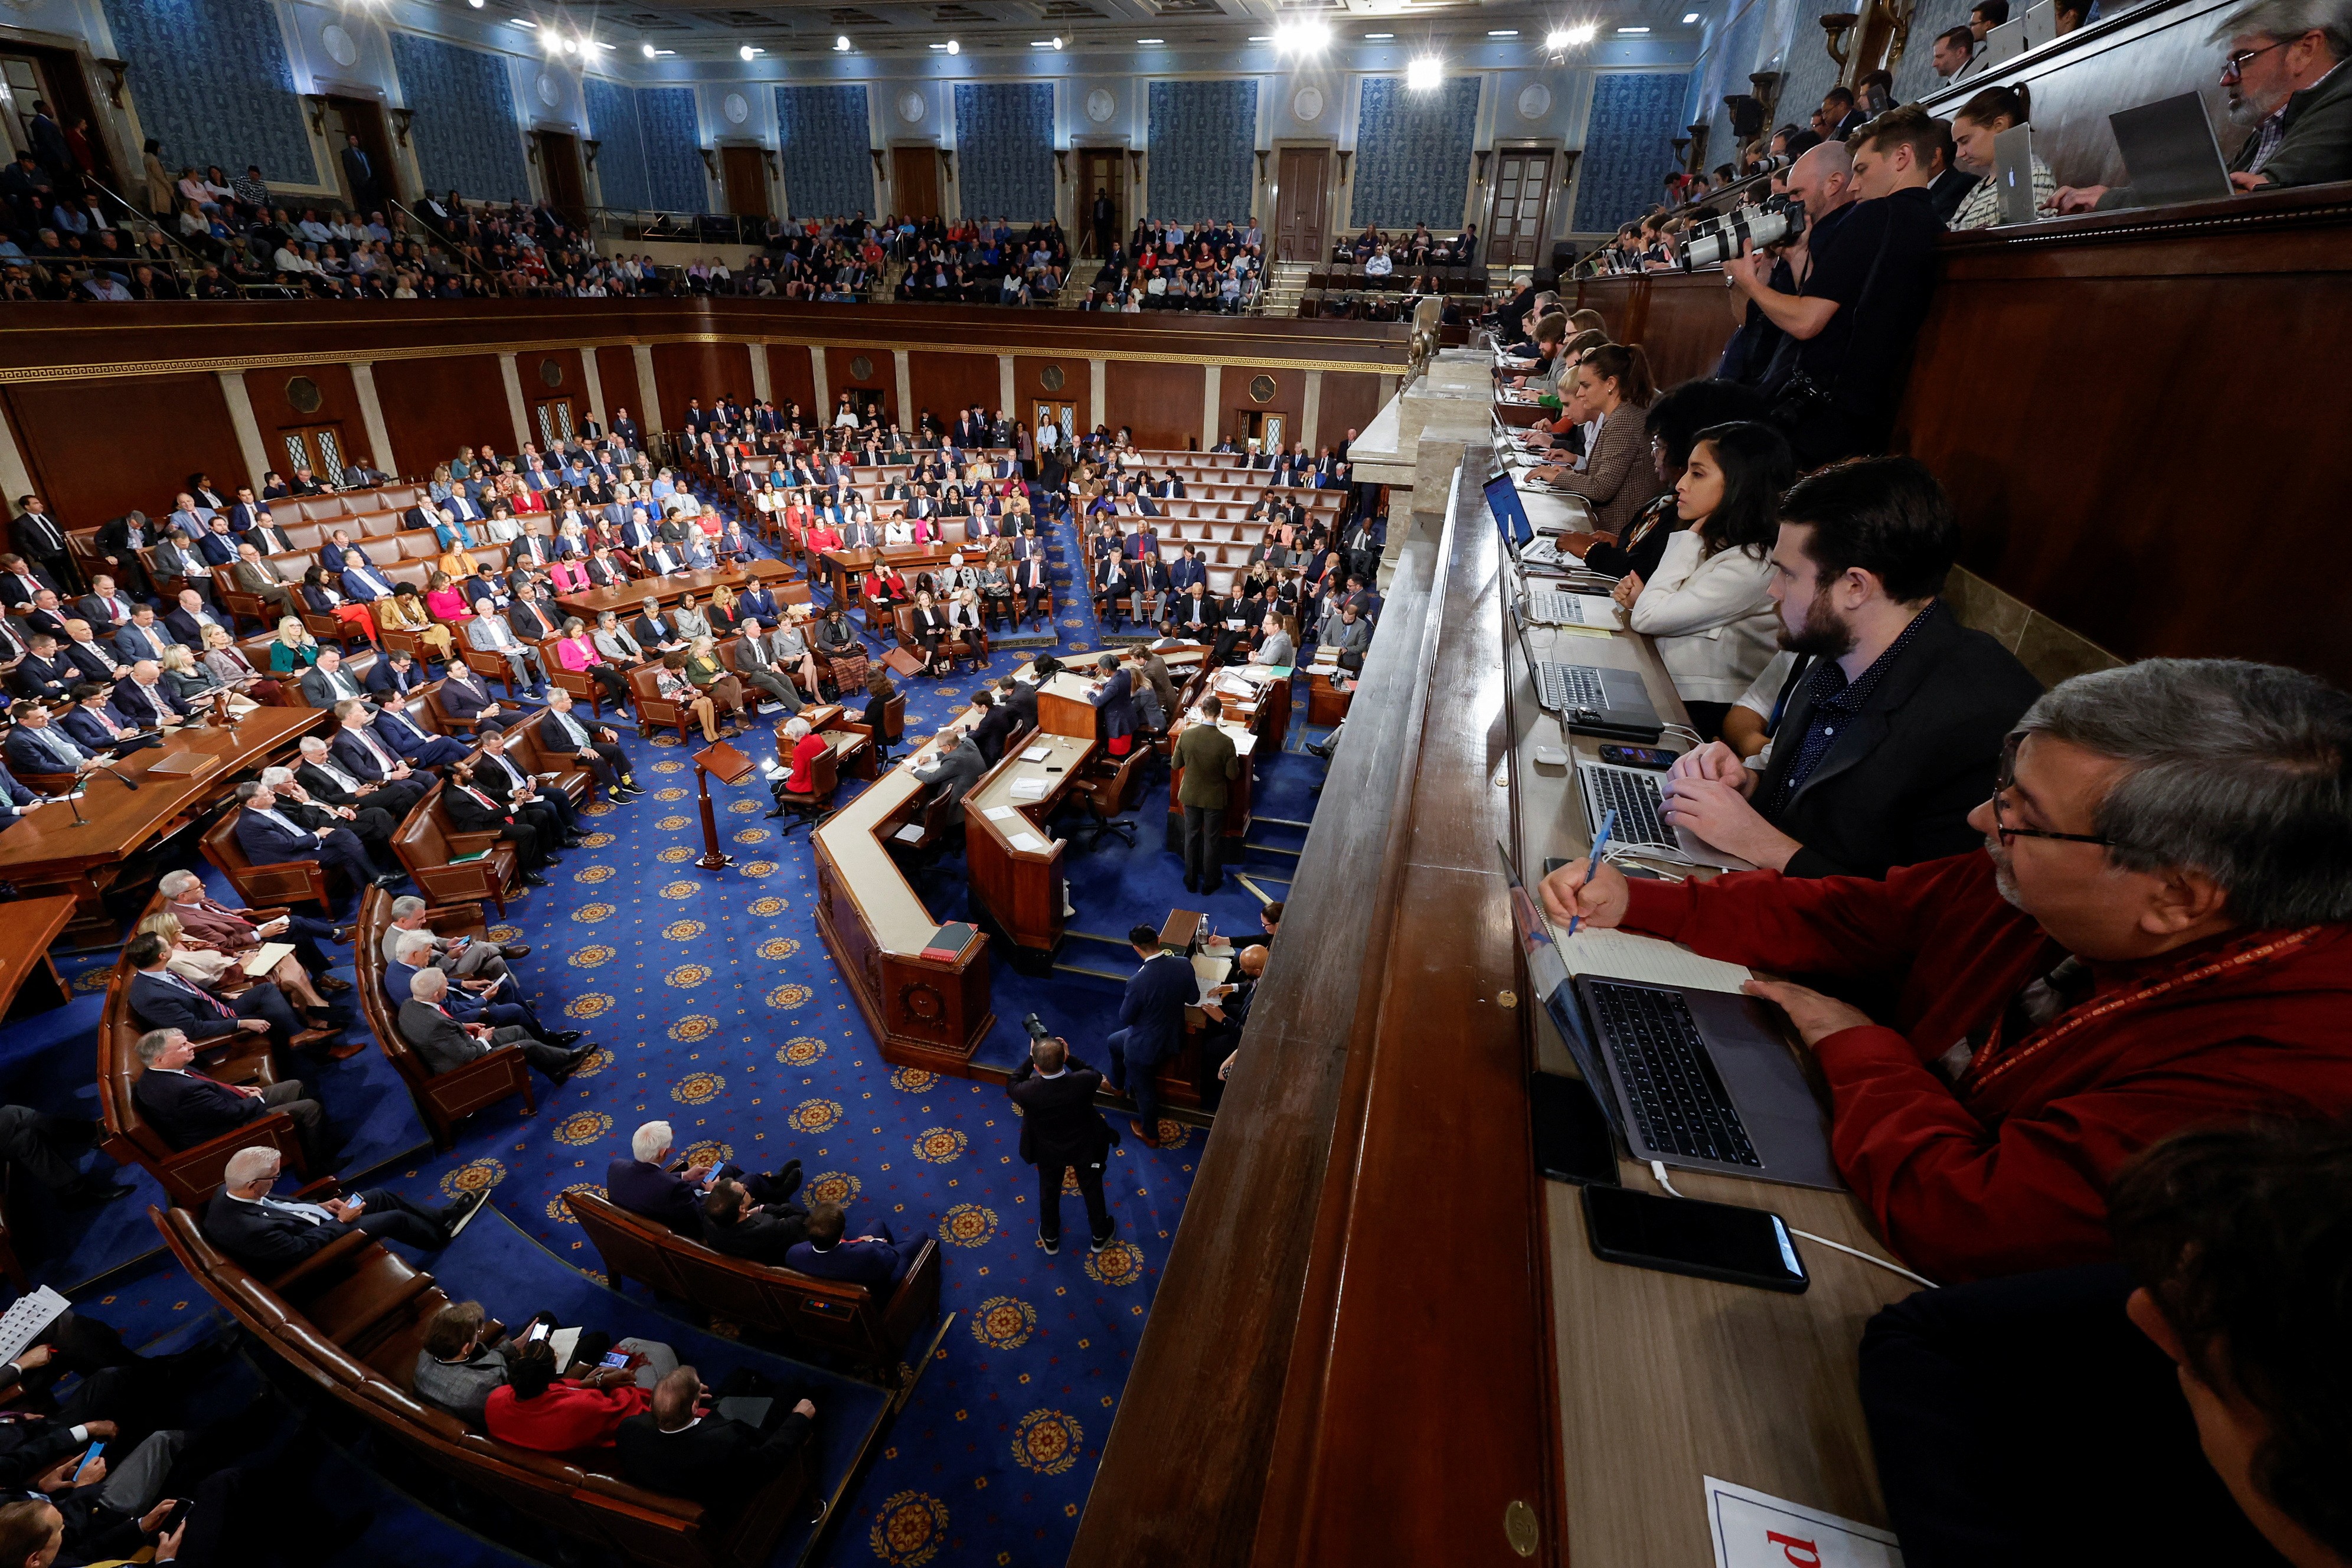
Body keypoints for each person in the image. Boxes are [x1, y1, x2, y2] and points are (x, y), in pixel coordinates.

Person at [1539, 658, 2352, 1284]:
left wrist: (1857, 1046)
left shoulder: (2290, 1067)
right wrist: (1639, 903)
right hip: (1872, 1152)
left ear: (2177, 897)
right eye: (2005, 792)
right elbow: (1853, 916)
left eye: (2021, 817)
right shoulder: (2047, 874)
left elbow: (1971, 1215)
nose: (1979, 823)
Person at [1859, 1119, 2352, 1568]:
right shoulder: (2268, 1273)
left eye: (2202, 1362)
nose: (2143, 1309)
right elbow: (1931, 1336)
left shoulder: (2285, 1326)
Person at [1658, 456, 2043, 877]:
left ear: (1855, 587)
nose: (1773, 591)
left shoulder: (1980, 716)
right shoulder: (1842, 650)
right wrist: (1747, 785)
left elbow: (1914, 912)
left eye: (1788, 574)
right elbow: (1811, 809)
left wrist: (1760, 842)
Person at [1728, 107, 1945, 467]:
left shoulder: (1874, 215)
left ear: (1902, 157)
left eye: (1860, 170)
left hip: (1822, 419)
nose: (1854, 184)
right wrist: (1799, 260)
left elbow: (1807, 323)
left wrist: (1748, 280)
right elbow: (1854, 307)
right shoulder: (1930, 221)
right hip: (1875, 416)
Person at [2051, 0, 2352, 213]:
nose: (2226, 80)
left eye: (2242, 59)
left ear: (2306, 49)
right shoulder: (2273, 126)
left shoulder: (2345, 99)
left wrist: (2108, 201)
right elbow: (2222, 194)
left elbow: (2249, 198)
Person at [1616, 421, 1794, 740]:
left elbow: (1648, 618)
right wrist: (1647, 601)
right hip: (1671, 686)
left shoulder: (1756, 563)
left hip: (1704, 710)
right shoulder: (1722, 543)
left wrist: (1688, 537)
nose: (1680, 484)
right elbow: (1657, 612)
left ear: (1741, 485)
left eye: (1698, 474)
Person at [202, 1145, 479, 1270]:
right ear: (252, 1184)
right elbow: (301, 1250)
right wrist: (342, 1221)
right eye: (274, 1178)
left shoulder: (230, 1188)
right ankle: (438, 1238)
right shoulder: (250, 1229)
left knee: (378, 1195)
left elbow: (277, 1204)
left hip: (313, 1223)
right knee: (393, 1217)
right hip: (317, 1252)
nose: (277, 1182)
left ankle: (442, 1217)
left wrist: (318, 1205)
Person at [414, 1301, 677, 1425]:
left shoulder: (429, 1354)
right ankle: (567, 1352)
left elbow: (480, 1361)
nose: (480, 1335)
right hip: (533, 1384)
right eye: (477, 1334)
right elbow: (534, 1396)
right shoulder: (484, 1389)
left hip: (520, 1374)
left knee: (544, 1318)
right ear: (465, 1347)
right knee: (597, 1341)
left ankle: (555, 1345)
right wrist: (548, 1364)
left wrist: (516, 1345)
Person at [615, 1366, 817, 1511]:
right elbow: (767, 1464)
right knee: (793, 1387)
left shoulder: (628, 1430)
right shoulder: (724, 1443)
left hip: (678, 1486)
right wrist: (799, 1418)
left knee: (740, 1376)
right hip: (726, 1502)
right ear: (695, 1408)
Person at [129, 1027, 329, 1169]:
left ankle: (304, 1142)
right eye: (182, 1046)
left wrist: (238, 1089)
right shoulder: (177, 1091)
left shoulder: (164, 1070)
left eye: (187, 1041)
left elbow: (210, 1092)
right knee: (309, 1108)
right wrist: (255, 1099)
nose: (191, 1046)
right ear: (160, 1059)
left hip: (228, 1108)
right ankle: (316, 1165)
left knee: (294, 1086)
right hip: (228, 1133)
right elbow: (228, 1114)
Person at [1007, 1032, 1118, 1254]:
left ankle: (1050, 1236)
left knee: (1049, 1188)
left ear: (1037, 1068)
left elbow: (1014, 1081)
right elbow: (1095, 1073)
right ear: (1063, 1059)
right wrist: (1069, 1057)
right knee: (1091, 1187)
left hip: (1047, 1150)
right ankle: (1100, 1233)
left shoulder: (1027, 1092)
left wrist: (1032, 1056)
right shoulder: (1083, 1082)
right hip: (1085, 1146)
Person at [606, 1120, 802, 1241]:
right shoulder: (673, 1189)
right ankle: (779, 1193)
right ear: (663, 1153)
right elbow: (699, 1216)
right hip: (686, 1228)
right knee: (748, 1180)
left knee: (725, 1169)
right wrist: (709, 1192)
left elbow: (647, 1178)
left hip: (658, 1210)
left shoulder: (616, 1168)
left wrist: (684, 1175)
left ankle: (774, 1183)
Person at [398, 965, 592, 1086]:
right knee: (525, 1047)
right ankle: (568, 1059)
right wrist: (483, 1039)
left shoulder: (410, 1004)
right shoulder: (436, 1026)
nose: (447, 988)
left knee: (518, 1031)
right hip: (465, 1067)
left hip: (460, 1042)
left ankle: (555, 1069)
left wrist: (463, 1026)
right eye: (444, 987)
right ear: (434, 995)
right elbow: (466, 1056)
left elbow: (444, 1028)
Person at [484, 1338, 654, 1456]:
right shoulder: (580, 1408)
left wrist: (598, 1381)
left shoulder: (496, 1400)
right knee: (653, 1351)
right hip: (613, 1462)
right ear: (552, 1375)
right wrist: (616, 1385)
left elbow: (556, 1390)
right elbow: (631, 1409)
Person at [1106, 924, 1194, 1146]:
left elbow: (1126, 1017)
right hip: (1173, 1036)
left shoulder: (1137, 982)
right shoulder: (1184, 964)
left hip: (1144, 1047)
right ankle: (1116, 1086)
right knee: (1113, 1042)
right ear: (1160, 938)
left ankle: (1151, 1135)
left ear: (1136, 949)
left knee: (1145, 1093)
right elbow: (1193, 998)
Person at [1948, 85, 2054, 230]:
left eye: (1965, 141)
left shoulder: (2030, 175)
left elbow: (2025, 234)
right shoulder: (1979, 188)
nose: (1959, 154)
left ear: (1999, 125)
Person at [1173, 698, 1237, 894]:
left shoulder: (1186, 736)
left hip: (1190, 795)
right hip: (1214, 799)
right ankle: (1210, 882)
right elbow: (1232, 775)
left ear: (1202, 711)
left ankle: (1191, 880)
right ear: (1220, 713)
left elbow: (1176, 765)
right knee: (1212, 840)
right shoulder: (1226, 742)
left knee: (1191, 837)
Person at [783, 1201, 909, 1289]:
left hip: (839, 1281)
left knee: (878, 1224)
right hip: (878, 1286)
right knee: (922, 1236)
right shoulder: (866, 1253)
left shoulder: (793, 1254)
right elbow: (892, 1258)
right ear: (842, 1234)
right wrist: (874, 1242)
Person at [697, 1174, 812, 1262]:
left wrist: (708, 1192)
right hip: (773, 1255)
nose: (744, 1186)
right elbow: (802, 1216)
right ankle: (780, 1196)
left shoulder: (709, 1222)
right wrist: (762, 1208)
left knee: (750, 1178)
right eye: (744, 1189)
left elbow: (705, 1207)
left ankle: (778, 1189)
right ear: (742, 1208)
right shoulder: (767, 1226)